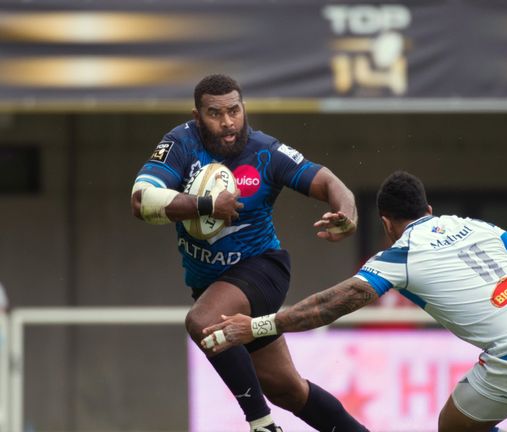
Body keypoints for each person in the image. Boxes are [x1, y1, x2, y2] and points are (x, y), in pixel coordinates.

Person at [201, 170, 507, 432]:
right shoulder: (474, 225)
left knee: (452, 429)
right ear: (429, 210)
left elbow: (336, 302)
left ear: (387, 222)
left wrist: (259, 326)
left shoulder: (399, 253)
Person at [130, 74, 367, 432]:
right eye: (215, 114)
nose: (227, 122)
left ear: (243, 109)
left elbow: (330, 182)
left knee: (202, 321)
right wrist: (207, 204)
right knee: (286, 389)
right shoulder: (180, 144)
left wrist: (347, 213)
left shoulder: (265, 151)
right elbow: (141, 200)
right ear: (198, 117)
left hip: (262, 270)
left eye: (234, 111)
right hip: (212, 284)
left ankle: (263, 426)